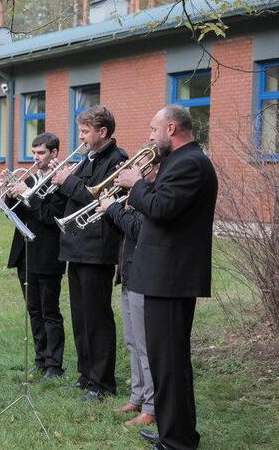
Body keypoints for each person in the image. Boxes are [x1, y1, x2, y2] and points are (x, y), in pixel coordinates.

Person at [114, 105, 217, 450]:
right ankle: (176, 432)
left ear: (171, 128)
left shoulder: (190, 163)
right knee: (166, 361)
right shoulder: (180, 161)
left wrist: (135, 184)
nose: (150, 136)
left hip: (171, 279)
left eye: (153, 129)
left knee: (170, 362)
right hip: (163, 276)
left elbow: (162, 208)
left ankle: (178, 442)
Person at [49, 105, 128, 401]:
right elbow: (73, 193)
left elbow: (98, 200)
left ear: (102, 132)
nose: (80, 137)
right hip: (76, 246)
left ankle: (103, 382)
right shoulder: (87, 159)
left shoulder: (117, 161)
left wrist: (68, 181)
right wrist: (57, 180)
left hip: (97, 248)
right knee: (80, 316)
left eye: (85, 131)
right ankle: (86, 374)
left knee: (97, 317)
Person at [96, 158, 161, 428]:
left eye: (144, 166)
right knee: (132, 341)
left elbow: (138, 228)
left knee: (146, 346)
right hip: (128, 272)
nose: (139, 169)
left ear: (156, 168)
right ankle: (137, 396)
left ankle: (152, 406)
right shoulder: (138, 193)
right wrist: (112, 209)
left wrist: (113, 208)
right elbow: (123, 228)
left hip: (144, 275)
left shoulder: (153, 194)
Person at [4, 133, 67, 380]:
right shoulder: (30, 178)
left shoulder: (61, 181)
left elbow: (51, 217)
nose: (36, 158)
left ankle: (54, 365)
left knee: (50, 310)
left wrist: (29, 193)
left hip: (49, 253)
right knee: (33, 309)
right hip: (25, 252)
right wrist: (10, 192)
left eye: (41, 153)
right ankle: (41, 359)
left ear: (54, 153)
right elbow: (17, 212)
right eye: (34, 153)